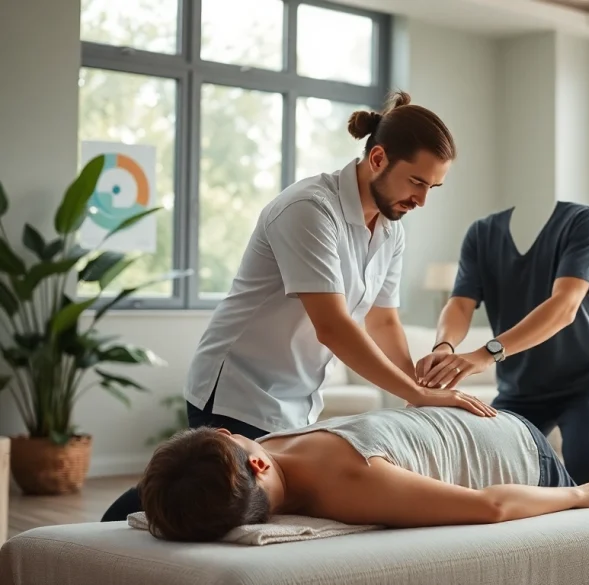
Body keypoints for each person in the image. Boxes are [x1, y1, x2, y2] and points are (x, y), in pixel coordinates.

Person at [101, 90, 496, 522]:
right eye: (417, 182)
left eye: (433, 187)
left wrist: (421, 396)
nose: (422, 200)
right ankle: (96, 537)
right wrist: (416, 393)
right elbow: (334, 326)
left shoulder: (389, 229)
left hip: (297, 399)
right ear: (378, 158)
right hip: (238, 389)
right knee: (210, 497)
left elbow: (383, 321)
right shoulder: (310, 209)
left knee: (240, 509)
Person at [412, 200, 589, 487]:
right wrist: (444, 347)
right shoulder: (481, 234)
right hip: (519, 390)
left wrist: (485, 354)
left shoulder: (584, 220)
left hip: (586, 385)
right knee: (492, 471)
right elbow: (460, 305)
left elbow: (565, 305)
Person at [138, 406, 589, 542]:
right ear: (256, 463)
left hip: (486, 422)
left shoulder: (266, 462)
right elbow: (492, 506)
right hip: (527, 455)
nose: (230, 429)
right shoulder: (350, 483)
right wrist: (579, 495)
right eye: (227, 434)